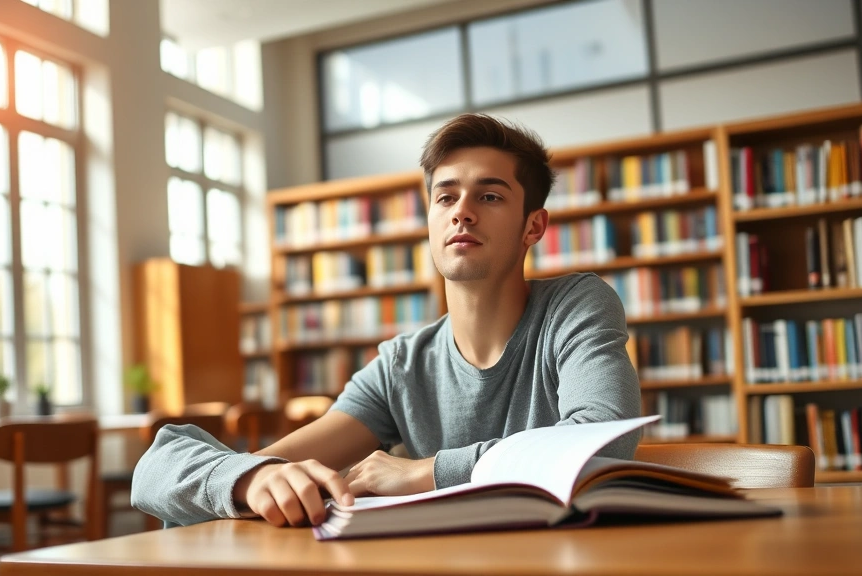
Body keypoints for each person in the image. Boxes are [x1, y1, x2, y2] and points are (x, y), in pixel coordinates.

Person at [131, 113, 641, 528]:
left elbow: (601, 439)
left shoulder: (576, 305)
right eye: (445, 197)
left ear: (534, 225)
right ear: (430, 220)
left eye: (489, 196)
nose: (462, 212)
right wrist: (252, 477)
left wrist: (426, 472)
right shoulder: (402, 365)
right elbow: (155, 473)